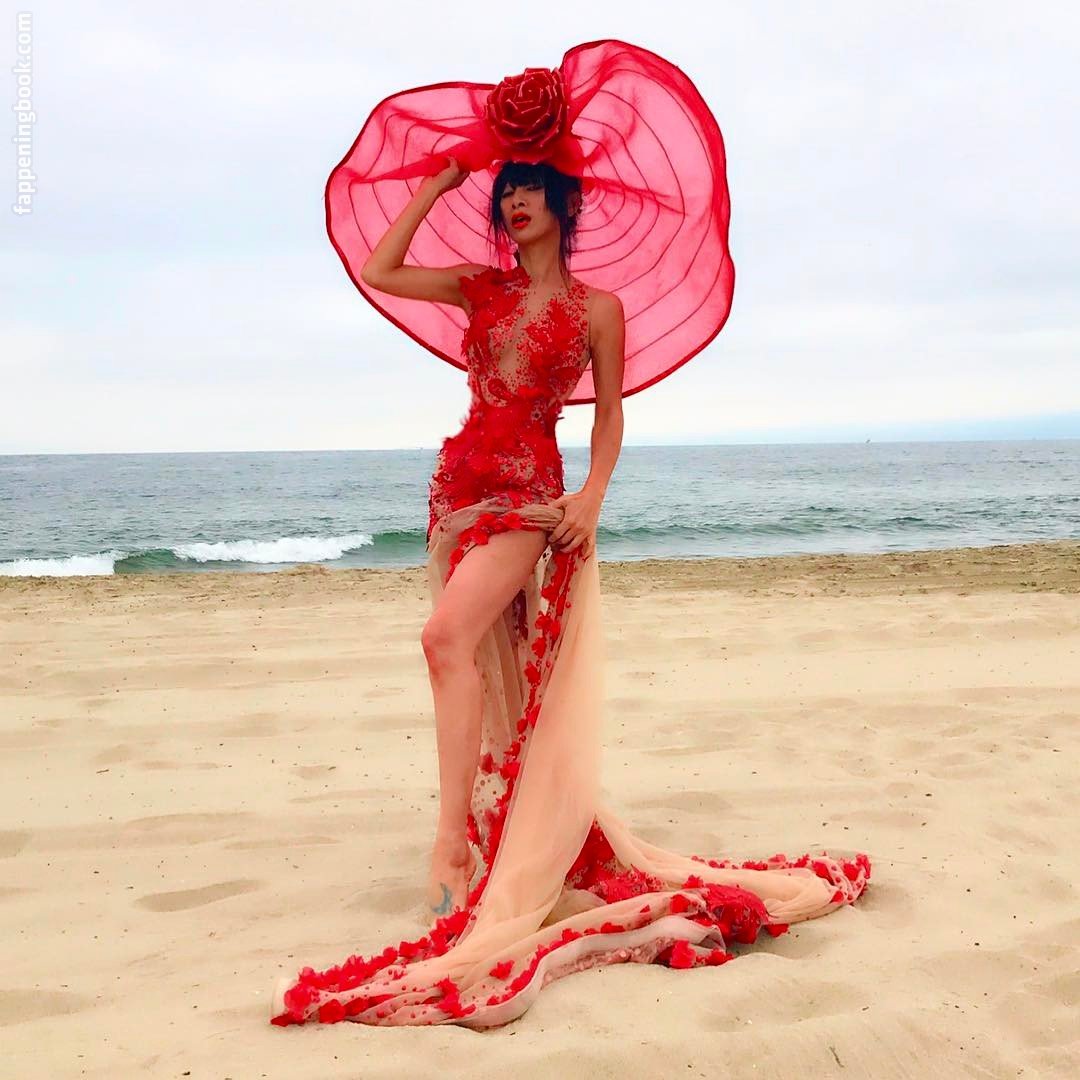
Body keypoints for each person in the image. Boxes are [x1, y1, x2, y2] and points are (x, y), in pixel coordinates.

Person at [271, 40, 872, 1030]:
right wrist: (443, 181)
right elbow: (380, 269)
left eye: (527, 189)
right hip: (459, 491)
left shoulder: (599, 308)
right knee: (479, 660)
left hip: (530, 496)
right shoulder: (479, 285)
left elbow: (610, 416)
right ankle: (496, 828)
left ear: (562, 200)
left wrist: (592, 496)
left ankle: (450, 843)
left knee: (444, 640)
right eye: (504, 192)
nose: (513, 203)